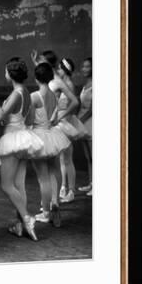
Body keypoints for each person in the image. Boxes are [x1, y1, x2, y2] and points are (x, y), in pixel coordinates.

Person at [0, 57, 43, 241]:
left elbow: (1, 116)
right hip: (23, 138)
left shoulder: (16, 94)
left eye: (5, 71)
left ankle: (27, 218)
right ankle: (20, 225)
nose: (4, 73)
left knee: (6, 185)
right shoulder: (26, 91)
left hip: (12, 140)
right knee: (19, 185)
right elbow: (30, 119)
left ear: (10, 75)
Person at [30, 50, 81, 204]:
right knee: (57, 162)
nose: (39, 63)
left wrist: (60, 116)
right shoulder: (47, 78)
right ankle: (58, 194)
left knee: (64, 159)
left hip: (56, 123)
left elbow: (74, 101)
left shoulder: (57, 81)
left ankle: (68, 190)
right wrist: (35, 62)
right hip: (48, 126)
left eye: (42, 61)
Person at [28, 63, 71, 227]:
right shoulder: (54, 95)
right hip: (52, 135)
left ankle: (46, 212)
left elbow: (30, 120)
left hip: (39, 136)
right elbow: (54, 115)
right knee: (55, 171)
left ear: (36, 78)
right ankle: (55, 203)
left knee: (42, 177)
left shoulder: (34, 96)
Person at [55, 57, 88, 203]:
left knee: (68, 159)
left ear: (65, 70)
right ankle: (63, 187)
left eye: (60, 68)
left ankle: (71, 190)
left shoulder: (68, 85)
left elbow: (74, 105)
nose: (58, 71)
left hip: (66, 122)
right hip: (60, 122)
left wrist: (62, 115)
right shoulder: (62, 84)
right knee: (62, 158)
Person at [77, 57, 93, 196]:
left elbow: (91, 109)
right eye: (83, 66)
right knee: (88, 157)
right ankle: (91, 183)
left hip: (90, 123)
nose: (84, 69)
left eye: (87, 67)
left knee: (95, 156)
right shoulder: (85, 85)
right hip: (83, 124)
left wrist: (78, 121)